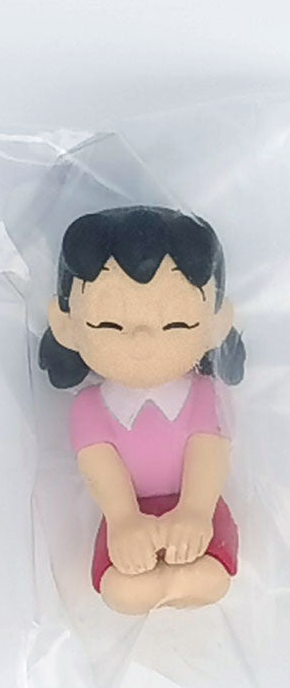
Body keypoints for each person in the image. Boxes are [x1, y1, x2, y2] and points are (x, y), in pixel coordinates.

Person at [39, 206, 245, 614]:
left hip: (198, 506)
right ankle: (165, 582)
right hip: (127, 517)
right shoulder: (89, 408)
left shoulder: (205, 394)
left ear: (216, 322)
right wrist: (124, 522)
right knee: (121, 590)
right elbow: (101, 469)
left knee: (211, 577)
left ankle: (183, 580)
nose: (142, 340)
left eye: (176, 324)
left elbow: (209, 453)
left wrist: (195, 511)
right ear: (67, 325)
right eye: (109, 325)